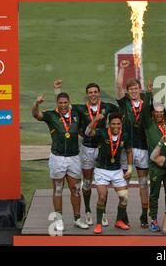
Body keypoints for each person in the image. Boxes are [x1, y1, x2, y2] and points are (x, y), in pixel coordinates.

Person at [53, 80, 119, 227]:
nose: (93, 94)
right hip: (87, 149)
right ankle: (88, 211)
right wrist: (57, 90)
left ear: (99, 93)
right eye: (90, 92)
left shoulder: (108, 107)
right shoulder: (80, 108)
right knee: (87, 182)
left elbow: (121, 115)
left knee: (102, 182)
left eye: (95, 92)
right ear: (87, 94)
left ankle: (102, 214)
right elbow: (63, 107)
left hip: (103, 148)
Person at [32, 92, 89, 231]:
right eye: (60, 103)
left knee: (76, 190)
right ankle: (58, 220)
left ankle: (77, 219)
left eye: (65, 103)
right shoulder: (51, 115)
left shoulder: (76, 114)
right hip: (57, 157)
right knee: (58, 189)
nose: (63, 105)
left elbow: (83, 130)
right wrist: (36, 104)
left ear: (69, 102)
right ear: (57, 103)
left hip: (74, 157)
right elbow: (36, 115)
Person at [116, 60, 152, 228]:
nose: (133, 91)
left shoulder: (147, 102)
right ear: (128, 91)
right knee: (125, 183)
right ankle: (123, 216)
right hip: (127, 149)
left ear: (140, 89)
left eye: (136, 89)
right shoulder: (123, 103)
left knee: (144, 183)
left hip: (144, 148)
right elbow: (118, 86)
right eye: (130, 89)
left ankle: (144, 215)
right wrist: (122, 69)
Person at [85, 112, 133, 234]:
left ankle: (118, 221)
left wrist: (130, 168)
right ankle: (99, 224)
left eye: (118, 124)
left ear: (121, 124)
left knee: (124, 198)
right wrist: (95, 119)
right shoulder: (102, 133)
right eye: (113, 124)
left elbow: (129, 151)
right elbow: (88, 132)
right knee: (102, 196)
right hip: (102, 170)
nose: (116, 126)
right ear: (109, 124)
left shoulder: (125, 135)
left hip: (117, 171)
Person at [141, 80, 166, 232]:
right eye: (157, 111)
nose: (160, 113)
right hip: (156, 164)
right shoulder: (149, 124)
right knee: (154, 193)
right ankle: (154, 219)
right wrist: (149, 94)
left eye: (161, 111)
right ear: (153, 113)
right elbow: (143, 112)